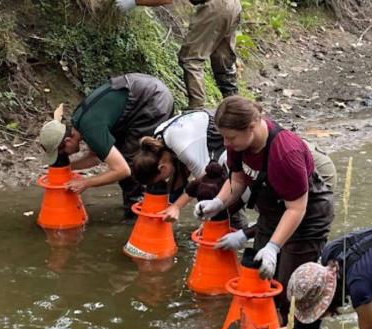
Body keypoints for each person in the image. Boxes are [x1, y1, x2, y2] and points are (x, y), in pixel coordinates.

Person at [194, 96, 336, 318]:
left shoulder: (285, 153)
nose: (226, 143)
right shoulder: (238, 144)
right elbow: (238, 181)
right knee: (257, 276)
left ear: (252, 127)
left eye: (230, 137)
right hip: (274, 211)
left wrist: (273, 248)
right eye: (223, 137)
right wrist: (218, 202)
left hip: (307, 216)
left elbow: (296, 209)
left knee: (291, 292)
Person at [37, 73, 174, 215]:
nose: (67, 155)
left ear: (67, 141)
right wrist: (65, 170)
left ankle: (138, 211)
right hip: (138, 96)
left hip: (152, 100)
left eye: (64, 152)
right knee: (123, 154)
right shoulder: (79, 121)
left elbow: (122, 170)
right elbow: (95, 158)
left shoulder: (91, 130)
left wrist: (86, 183)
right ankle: (141, 200)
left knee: (133, 164)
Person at [113, 0, 240, 109]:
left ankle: (197, 108)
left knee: (191, 59)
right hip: (234, 5)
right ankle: (235, 106)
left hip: (216, 7)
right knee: (223, 59)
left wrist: (134, 2)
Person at [129, 109, 235, 223]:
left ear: (162, 168)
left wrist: (176, 207)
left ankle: (232, 224)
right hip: (201, 123)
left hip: (220, 131)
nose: (165, 180)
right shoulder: (157, 141)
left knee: (215, 189)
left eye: (161, 179)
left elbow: (204, 180)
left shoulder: (186, 151)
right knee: (176, 192)